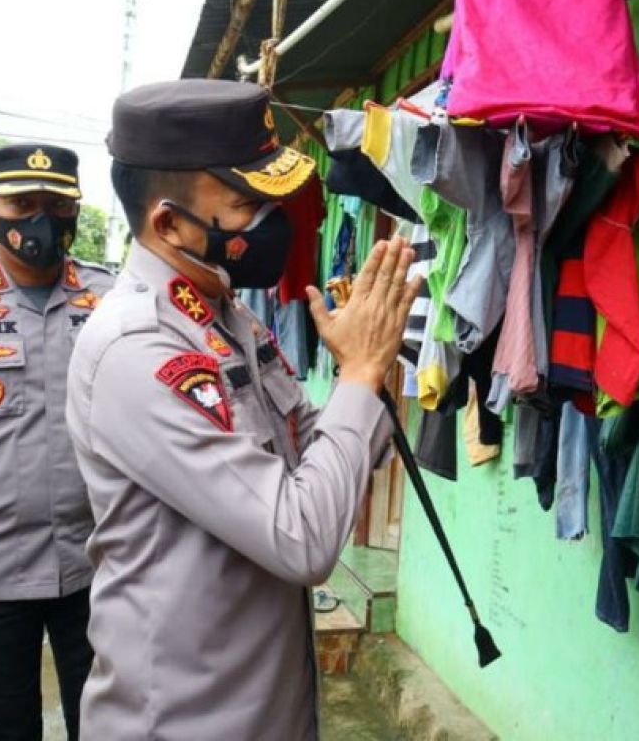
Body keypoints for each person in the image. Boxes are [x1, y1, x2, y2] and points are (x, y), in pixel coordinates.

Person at [65, 80, 421, 739]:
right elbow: (304, 536)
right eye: (246, 204)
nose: (271, 222)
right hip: (185, 721)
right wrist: (360, 373)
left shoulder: (229, 319)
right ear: (169, 223)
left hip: (268, 707)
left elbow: (330, 452)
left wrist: (368, 370)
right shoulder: (136, 348)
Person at [0, 144, 113, 740]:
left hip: (99, 571)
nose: (41, 218)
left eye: (57, 203)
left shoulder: (110, 301)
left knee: (113, 729)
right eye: (22, 203)